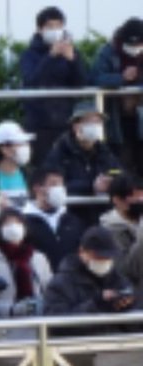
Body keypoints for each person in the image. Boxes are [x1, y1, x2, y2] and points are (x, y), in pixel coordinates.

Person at [20, 7, 88, 163]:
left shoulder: (71, 51)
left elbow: (82, 84)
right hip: (39, 123)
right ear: (39, 29)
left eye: (58, 26)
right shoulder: (29, 54)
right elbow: (32, 81)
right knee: (43, 165)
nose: (55, 31)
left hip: (66, 120)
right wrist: (50, 56)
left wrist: (73, 61)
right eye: (50, 27)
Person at [43, 226, 138, 329]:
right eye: (98, 256)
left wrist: (126, 308)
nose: (104, 261)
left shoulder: (120, 281)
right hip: (79, 343)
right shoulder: (60, 284)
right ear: (82, 252)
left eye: (108, 257)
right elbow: (55, 325)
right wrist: (97, 304)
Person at [43, 101, 122, 224]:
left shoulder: (104, 151)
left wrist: (112, 182)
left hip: (103, 217)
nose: (95, 126)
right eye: (89, 122)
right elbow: (55, 187)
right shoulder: (60, 152)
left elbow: (119, 173)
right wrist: (91, 186)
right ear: (75, 126)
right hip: (71, 218)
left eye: (98, 122)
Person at [91, 17, 143, 175]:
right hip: (117, 120)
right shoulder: (108, 51)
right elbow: (95, 78)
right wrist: (121, 78)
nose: (134, 48)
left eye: (138, 44)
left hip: (140, 116)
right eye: (131, 44)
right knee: (122, 167)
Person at [0, 207, 53, 318]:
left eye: (18, 223)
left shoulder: (38, 258)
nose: (13, 227)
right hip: (6, 324)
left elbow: (49, 289)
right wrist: (13, 309)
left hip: (37, 321)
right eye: (8, 224)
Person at [22, 167, 85, 270]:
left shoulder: (72, 220)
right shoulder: (23, 222)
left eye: (61, 184)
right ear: (37, 188)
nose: (60, 189)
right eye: (54, 184)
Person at [0, 121, 35, 200]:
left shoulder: (31, 175)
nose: (26, 147)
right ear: (4, 149)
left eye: (26, 142)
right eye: (21, 143)